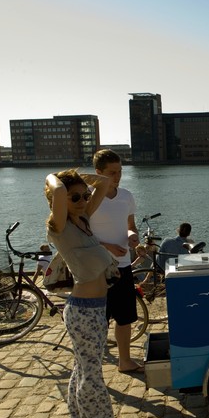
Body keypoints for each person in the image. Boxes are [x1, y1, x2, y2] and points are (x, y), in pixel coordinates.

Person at [45, 168, 127, 418]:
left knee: (81, 370)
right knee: (92, 374)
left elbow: (104, 183)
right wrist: (54, 177)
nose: (81, 200)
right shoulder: (58, 226)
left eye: (83, 195)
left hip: (91, 308)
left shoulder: (81, 220)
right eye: (74, 197)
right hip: (85, 310)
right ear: (59, 201)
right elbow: (56, 191)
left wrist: (79, 176)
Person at [90, 149, 142, 373]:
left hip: (123, 265)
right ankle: (92, 366)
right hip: (96, 269)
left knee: (125, 318)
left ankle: (125, 361)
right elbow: (81, 235)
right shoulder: (88, 198)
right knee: (97, 320)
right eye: (112, 172)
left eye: (120, 171)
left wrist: (133, 238)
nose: (118, 176)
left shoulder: (126, 196)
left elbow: (130, 226)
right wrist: (107, 246)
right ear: (98, 173)